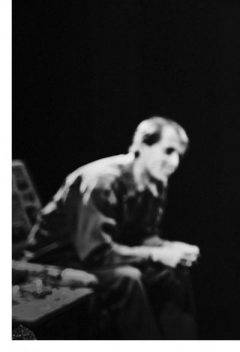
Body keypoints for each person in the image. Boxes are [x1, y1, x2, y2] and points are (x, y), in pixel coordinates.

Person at [25, 116, 199, 339]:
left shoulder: (156, 181)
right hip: (58, 259)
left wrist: (171, 248)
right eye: (168, 151)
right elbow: (96, 251)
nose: (174, 162)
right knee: (127, 278)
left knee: (172, 272)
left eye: (179, 155)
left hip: (98, 255)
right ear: (141, 146)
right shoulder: (102, 181)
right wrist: (156, 254)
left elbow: (142, 236)